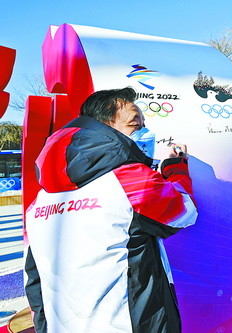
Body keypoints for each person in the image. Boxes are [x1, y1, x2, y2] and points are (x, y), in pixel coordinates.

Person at [24, 87, 197, 332]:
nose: (146, 133)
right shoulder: (130, 178)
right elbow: (185, 211)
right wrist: (175, 168)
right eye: (135, 124)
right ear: (103, 128)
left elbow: (33, 277)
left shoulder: (39, 201)